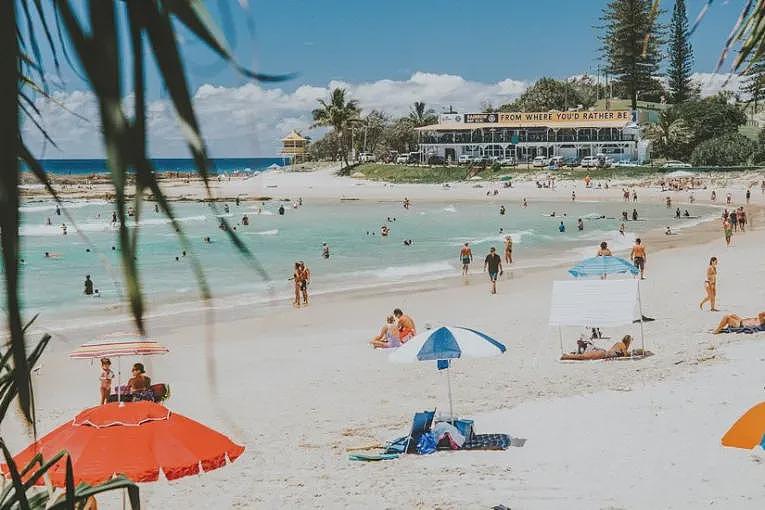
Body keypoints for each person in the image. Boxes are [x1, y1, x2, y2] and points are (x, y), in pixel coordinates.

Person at [561, 335, 632, 360]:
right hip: (602, 354)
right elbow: (625, 356)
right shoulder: (622, 345)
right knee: (583, 357)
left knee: (583, 356)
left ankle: (569, 355)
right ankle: (566, 356)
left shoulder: (618, 343)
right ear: (628, 342)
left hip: (603, 353)